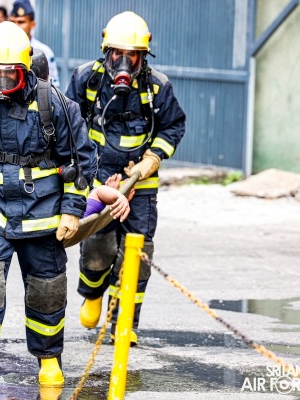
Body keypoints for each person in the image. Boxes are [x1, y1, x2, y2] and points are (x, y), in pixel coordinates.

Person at [0, 21, 96, 396]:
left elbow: (79, 163)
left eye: (7, 75)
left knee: (47, 289)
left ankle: (48, 359)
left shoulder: (56, 105)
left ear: (24, 69)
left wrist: (72, 211)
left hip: (43, 215)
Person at [65, 11, 186, 346]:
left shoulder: (157, 87)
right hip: (99, 181)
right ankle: (92, 294)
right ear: (106, 51)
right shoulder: (86, 79)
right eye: (117, 53)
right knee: (97, 247)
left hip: (141, 184)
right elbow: (69, 128)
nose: (123, 61)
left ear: (143, 56)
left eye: (131, 55)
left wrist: (151, 160)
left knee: (137, 253)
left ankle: (124, 323)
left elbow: (173, 126)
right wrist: (93, 176)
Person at [10, 0, 60, 87]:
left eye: (21, 22)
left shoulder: (45, 52)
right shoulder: (1, 50)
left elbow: (53, 86)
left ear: (32, 24)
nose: (16, 26)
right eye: (12, 22)